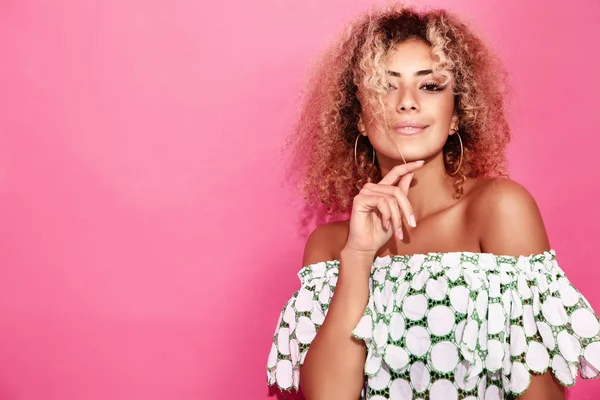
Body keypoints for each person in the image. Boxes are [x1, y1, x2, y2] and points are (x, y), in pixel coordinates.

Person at [265, 4, 600, 399]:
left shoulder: (497, 210)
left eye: (430, 85)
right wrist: (357, 256)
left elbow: (538, 389)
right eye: (385, 85)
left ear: (456, 112)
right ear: (358, 117)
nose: (407, 102)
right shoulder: (328, 247)